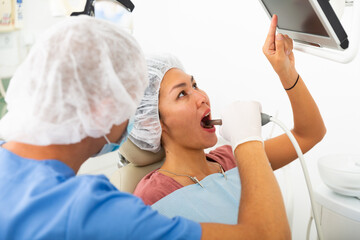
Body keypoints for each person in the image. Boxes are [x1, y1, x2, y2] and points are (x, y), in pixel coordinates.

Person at [0, 15, 291, 239]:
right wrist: (248, 140)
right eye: (129, 97)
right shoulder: (94, 213)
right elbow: (268, 236)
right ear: (103, 107)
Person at [131, 14, 326, 225]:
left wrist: (287, 73)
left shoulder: (232, 157)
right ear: (152, 122)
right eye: (181, 94)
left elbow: (309, 134)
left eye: (194, 85)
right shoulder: (151, 198)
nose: (201, 97)